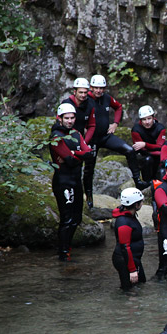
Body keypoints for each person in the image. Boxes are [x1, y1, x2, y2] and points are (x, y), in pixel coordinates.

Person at [83, 74, 149, 209]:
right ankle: (89, 196)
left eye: (101, 88)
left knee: (129, 150)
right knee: (89, 169)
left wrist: (115, 124)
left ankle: (138, 182)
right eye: (95, 88)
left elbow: (118, 107)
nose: (98, 90)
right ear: (91, 88)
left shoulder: (107, 98)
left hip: (105, 136)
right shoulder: (86, 99)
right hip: (91, 139)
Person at [50, 103, 92, 261]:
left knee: (77, 219)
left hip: (76, 180)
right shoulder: (56, 136)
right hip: (63, 181)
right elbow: (69, 160)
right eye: (66, 118)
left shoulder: (76, 133)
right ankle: (63, 252)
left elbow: (89, 154)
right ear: (59, 118)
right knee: (67, 219)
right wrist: (77, 155)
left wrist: (75, 153)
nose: (69, 121)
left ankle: (67, 247)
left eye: (72, 117)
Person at [112, 187, 146, 293]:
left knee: (141, 284)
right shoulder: (124, 222)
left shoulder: (130, 216)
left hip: (134, 259)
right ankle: (127, 308)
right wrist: (132, 270)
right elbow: (125, 246)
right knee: (128, 290)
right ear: (135, 205)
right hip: (124, 260)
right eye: (140, 202)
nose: (142, 204)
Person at [131, 105, 166, 183]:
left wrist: (145, 144)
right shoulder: (136, 130)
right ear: (140, 120)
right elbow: (141, 150)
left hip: (156, 155)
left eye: (149, 118)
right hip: (143, 156)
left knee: (162, 160)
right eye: (144, 119)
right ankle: (147, 182)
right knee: (148, 159)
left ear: (153, 118)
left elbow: (160, 146)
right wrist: (152, 148)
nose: (147, 122)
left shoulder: (160, 128)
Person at [60, 77, 96, 147]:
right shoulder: (66, 103)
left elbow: (92, 125)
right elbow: (59, 122)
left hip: (81, 138)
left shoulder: (90, 104)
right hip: (66, 138)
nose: (83, 95)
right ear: (75, 92)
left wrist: (84, 142)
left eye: (85, 92)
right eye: (80, 92)